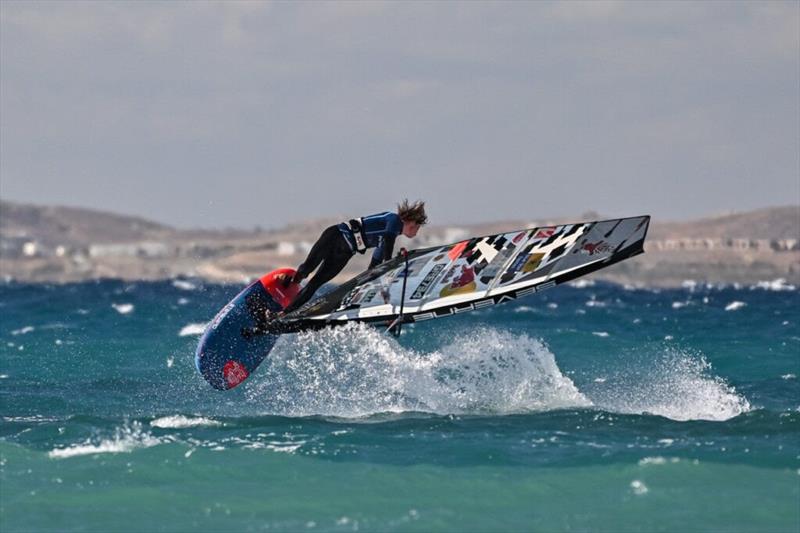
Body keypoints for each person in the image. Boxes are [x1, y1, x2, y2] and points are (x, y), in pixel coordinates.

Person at [279, 199, 428, 316]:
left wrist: (373, 281)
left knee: (315, 284)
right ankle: (291, 281)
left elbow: (375, 263)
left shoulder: (387, 236)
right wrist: (390, 263)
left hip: (345, 253)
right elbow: (389, 241)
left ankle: (284, 313)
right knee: (307, 269)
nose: (416, 232)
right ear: (410, 222)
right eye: (417, 227)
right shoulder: (394, 220)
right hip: (335, 236)